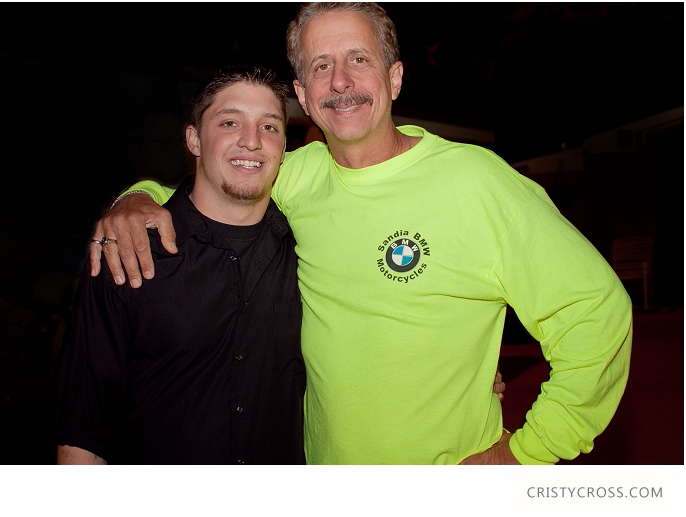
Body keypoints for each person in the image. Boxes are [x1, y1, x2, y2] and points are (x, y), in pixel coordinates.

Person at [90, 3, 632, 465]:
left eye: (358, 59)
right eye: (321, 66)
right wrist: (135, 198)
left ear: (394, 77)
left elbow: (597, 312)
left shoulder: (477, 181)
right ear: (302, 93)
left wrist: (525, 453)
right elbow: (219, 180)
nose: (340, 82)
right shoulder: (297, 176)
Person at [50, 65, 306, 464]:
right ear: (194, 139)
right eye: (229, 122)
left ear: (284, 147)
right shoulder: (128, 251)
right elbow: (82, 432)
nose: (252, 141)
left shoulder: (306, 251)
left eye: (269, 127)